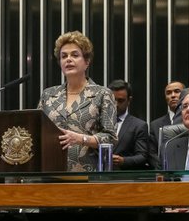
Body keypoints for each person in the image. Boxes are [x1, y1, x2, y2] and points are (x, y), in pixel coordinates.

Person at [38, 31, 117, 172]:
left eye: (75, 55)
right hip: (50, 171)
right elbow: (38, 131)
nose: (68, 59)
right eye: (64, 56)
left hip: (88, 173)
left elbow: (110, 138)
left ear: (87, 62)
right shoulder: (48, 95)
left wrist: (81, 139)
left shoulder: (102, 94)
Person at [107, 79, 149, 170]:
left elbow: (142, 157)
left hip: (124, 178)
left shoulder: (139, 126)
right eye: (113, 100)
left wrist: (123, 161)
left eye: (121, 100)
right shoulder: (98, 122)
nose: (116, 104)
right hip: (97, 178)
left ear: (129, 100)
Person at [148, 81, 185, 169]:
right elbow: (152, 154)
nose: (173, 95)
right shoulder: (155, 125)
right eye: (168, 93)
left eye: (177, 91)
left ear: (185, 94)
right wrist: (165, 167)